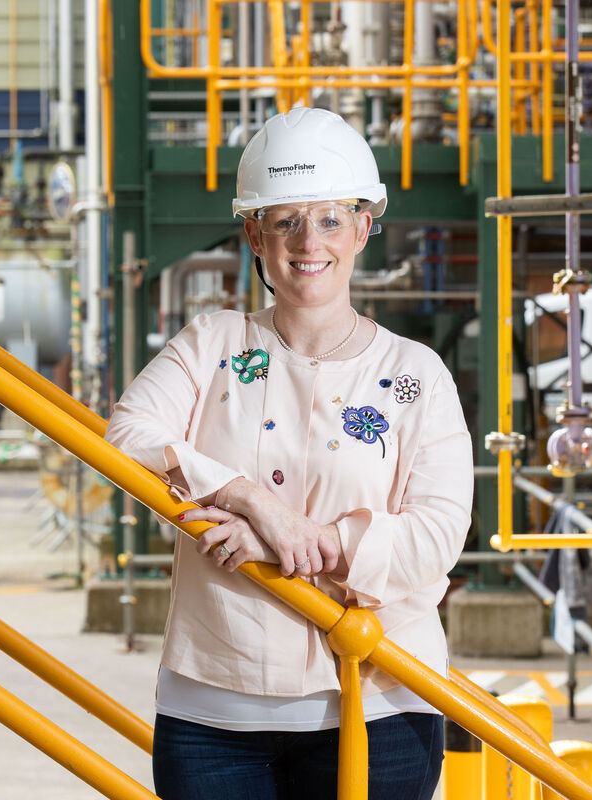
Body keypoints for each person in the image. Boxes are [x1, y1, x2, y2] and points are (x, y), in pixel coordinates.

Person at [105, 106, 473, 800]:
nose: (310, 241)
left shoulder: (415, 374)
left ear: (364, 228)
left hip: (379, 699)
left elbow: (437, 535)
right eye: (286, 220)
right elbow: (125, 439)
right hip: (215, 708)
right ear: (255, 233)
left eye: (331, 218)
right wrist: (250, 502)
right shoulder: (212, 344)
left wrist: (305, 544)